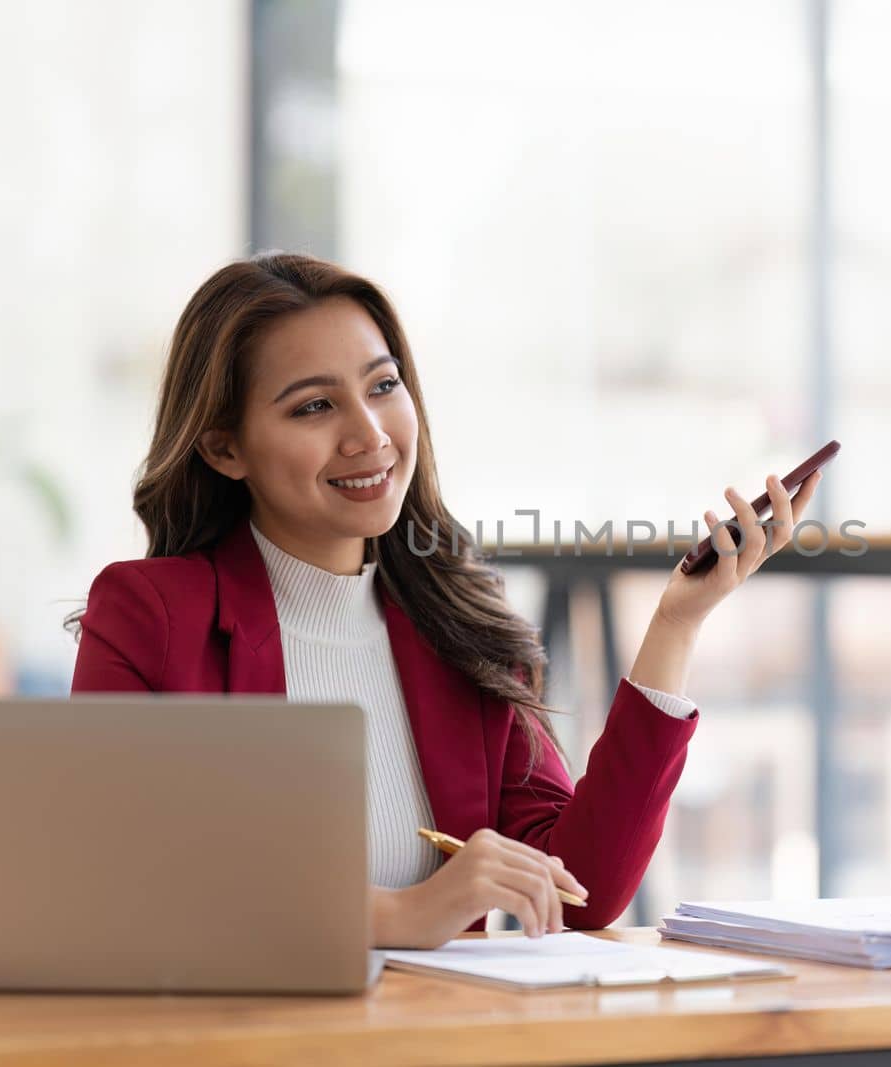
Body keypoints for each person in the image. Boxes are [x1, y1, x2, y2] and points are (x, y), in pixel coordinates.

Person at [69, 252, 820, 949]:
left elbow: (580, 888)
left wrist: (677, 622)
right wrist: (402, 913)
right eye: (312, 407)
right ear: (223, 448)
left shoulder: (453, 624)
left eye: (383, 386)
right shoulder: (151, 615)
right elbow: (121, 878)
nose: (370, 435)